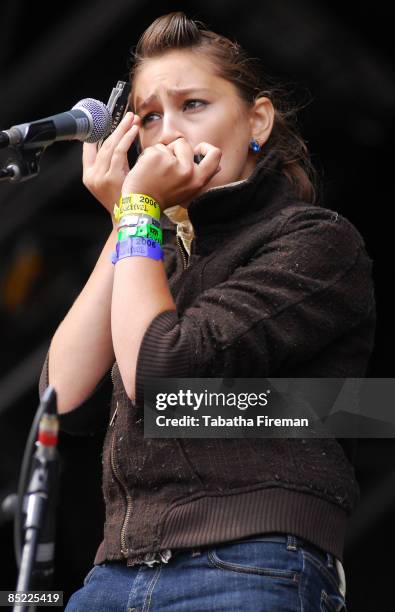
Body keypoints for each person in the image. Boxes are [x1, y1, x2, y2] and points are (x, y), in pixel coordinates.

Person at [38, 11, 375, 612]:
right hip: (114, 575)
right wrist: (129, 220)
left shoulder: (315, 240)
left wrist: (139, 209)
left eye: (193, 104)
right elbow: (60, 401)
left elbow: (164, 380)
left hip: (251, 561)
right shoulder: (151, 259)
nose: (167, 132)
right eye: (148, 116)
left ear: (257, 121)